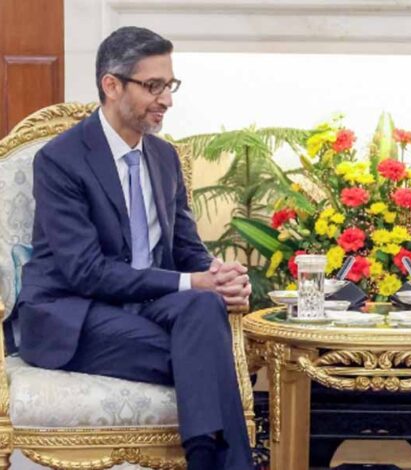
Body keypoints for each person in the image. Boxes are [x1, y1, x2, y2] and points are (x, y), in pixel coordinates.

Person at [11, 26, 253, 469]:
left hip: (145, 309)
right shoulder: (61, 159)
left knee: (204, 309)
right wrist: (192, 282)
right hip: (75, 314)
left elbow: (187, 250)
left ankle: (206, 459)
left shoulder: (164, 158)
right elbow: (86, 271)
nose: (167, 100)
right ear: (112, 85)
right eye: (153, 86)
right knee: (205, 351)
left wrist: (219, 277)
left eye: (170, 85)